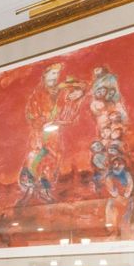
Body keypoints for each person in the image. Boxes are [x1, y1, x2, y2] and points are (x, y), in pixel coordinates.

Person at [18, 63, 85, 206]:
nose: (55, 77)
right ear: (45, 75)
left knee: (53, 158)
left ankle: (44, 189)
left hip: (54, 133)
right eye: (52, 74)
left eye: (56, 74)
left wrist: (80, 93)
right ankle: (29, 187)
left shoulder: (61, 90)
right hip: (39, 133)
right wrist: (42, 123)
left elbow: (81, 87)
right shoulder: (37, 95)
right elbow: (31, 114)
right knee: (35, 156)